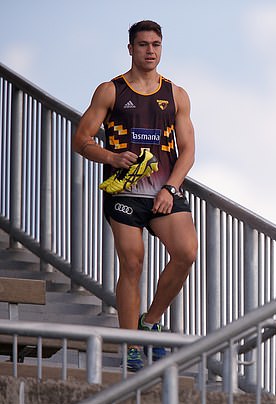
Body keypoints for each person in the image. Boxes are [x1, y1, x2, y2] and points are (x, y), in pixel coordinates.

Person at [72, 20, 197, 372]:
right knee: (133, 262)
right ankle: (131, 343)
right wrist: (111, 157)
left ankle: (151, 321)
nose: (150, 51)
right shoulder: (110, 90)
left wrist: (171, 187)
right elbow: (80, 140)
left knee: (186, 252)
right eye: (143, 45)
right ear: (131, 49)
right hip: (124, 190)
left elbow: (187, 151)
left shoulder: (176, 94)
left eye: (156, 44)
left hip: (163, 191)